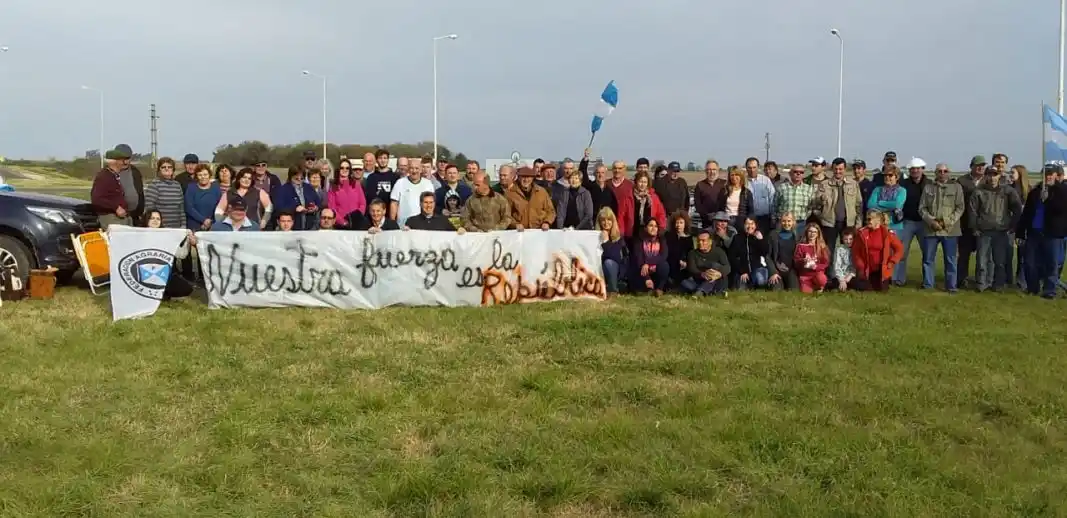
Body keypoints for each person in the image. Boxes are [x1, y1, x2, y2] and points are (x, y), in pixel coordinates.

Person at [968, 166, 1023, 292]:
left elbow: (1017, 209)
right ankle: (982, 284)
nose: (992, 177)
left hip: (1001, 231)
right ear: (986, 176)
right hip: (983, 231)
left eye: (995, 174)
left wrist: (1013, 226)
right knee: (982, 260)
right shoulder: (978, 192)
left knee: (999, 261)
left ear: (999, 176)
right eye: (990, 174)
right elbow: (972, 211)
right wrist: (974, 227)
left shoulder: (1008, 191)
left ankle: (998, 284)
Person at [1017, 163, 1067, 299]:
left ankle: (1049, 290)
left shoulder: (1062, 191)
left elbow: (1061, 209)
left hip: (1053, 234)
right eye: (1045, 174)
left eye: (1050, 174)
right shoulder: (1035, 192)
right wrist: (1020, 232)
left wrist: (1048, 199)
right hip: (1034, 232)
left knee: (1052, 263)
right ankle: (1032, 288)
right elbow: (1027, 213)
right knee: (1030, 262)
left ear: (1056, 175)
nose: (1048, 176)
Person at [918, 164, 965, 292]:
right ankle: (928, 284)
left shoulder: (956, 187)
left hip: (950, 230)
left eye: (945, 171)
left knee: (950, 260)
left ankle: (951, 286)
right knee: (928, 259)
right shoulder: (928, 187)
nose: (942, 173)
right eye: (940, 171)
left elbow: (960, 208)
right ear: (935, 173)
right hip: (930, 229)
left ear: (949, 173)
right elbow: (922, 208)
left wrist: (946, 222)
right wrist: (931, 221)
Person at [813, 157, 863, 258]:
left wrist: (858, 223)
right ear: (832, 169)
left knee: (849, 251)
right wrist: (822, 217)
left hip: (848, 223)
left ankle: (849, 273)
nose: (838, 171)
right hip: (829, 224)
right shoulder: (824, 184)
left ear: (845, 169)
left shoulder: (853, 184)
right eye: (835, 169)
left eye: (840, 169)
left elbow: (859, 205)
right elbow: (816, 205)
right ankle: (829, 273)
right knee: (828, 251)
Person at [141, 209, 195, 300]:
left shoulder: (167, 236)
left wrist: (188, 241)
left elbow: (181, 255)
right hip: (144, 273)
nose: (155, 221)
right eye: (152, 218)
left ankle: (163, 296)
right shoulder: (138, 235)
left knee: (187, 288)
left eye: (158, 219)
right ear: (146, 220)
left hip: (164, 274)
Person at [892, 162, 929, 285]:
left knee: (927, 253)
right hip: (907, 222)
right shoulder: (904, 184)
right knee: (902, 252)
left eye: (918, 168)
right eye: (912, 169)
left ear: (922, 169)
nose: (915, 171)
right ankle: (898, 279)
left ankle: (928, 281)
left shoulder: (929, 184)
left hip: (924, 223)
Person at [956, 155, 989, 289]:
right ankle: (961, 279)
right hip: (965, 223)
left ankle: (980, 280)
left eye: (983, 165)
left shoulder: (988, 180)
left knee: (983, 255)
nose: (980, 168)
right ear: (972, 166)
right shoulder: (962, 180)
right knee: (964, 254)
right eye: (978, 165)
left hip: (983, 223)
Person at [852, 211, 906, 292]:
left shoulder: (887, 233)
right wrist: (861, 265)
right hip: (867, 269)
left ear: (877, 221)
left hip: (882, 270)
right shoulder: (862, 233)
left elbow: (899, 248)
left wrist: (892, 262)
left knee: (881, 290)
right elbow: (855, 251)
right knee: (864, 289)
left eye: (870, 219)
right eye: (867, 219)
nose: (867, 221)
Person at [729, 216, 778, 290]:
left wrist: (761, 240)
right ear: (743, 225)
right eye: (747, 224)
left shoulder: (759, 236)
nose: (750, 226)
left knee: (761, 280)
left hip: (757, 268)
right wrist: (742, 271)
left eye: (752, 224)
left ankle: (757, 284)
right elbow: (732, 257)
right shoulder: (737, 238)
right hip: (742, 270)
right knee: (740, 289)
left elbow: (765, 253)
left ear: (755, 225)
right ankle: (748, 284)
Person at [682, 229, 730, 297]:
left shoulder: (719, 251)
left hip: (717, 278)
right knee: (685, 283)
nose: (700, 243)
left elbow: (727, 267)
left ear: (710, 242)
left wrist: (719, 274)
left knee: (714, 266)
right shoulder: (692, 253)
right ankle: (714, 292)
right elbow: (692, 269)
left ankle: (701, 291)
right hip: (699, 279)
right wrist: (703, 274)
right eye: (699, 240)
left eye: (703, 240)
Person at [506, 166, 555, 231]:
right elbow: (506, 214)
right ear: (519, 178)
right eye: (523, 177)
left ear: (532, 178)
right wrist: (515, 224)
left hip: (539, 231)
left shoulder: (541, 192)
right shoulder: (510, 193)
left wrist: (547, 222)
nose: (526, 180)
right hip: (519, 232)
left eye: (528, 177)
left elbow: (551, 211)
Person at [273, 166, 321, 230]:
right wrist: (294, 209)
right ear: (291, 177)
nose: (299, 180)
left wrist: (315, 208)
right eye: (296, 178)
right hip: (292, 227)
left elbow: (318, 202)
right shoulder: (283, 190)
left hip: (309, 225)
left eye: (302, 178)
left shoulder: (308, 187)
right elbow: (278, 208)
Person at [630, 219, 669, 296]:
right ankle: (648, 288)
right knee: (635, 265)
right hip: (642, 271)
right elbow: (639, 258)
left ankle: (659, 289)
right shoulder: (639, 240)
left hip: (655, 269)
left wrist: (647, 263)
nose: (653, 228)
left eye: (655, 226)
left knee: (664, 265)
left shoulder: (662, 240)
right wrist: (647, 278)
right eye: (651, 225)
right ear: (645, 228)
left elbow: (663, 256)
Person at [143, 157, 185, 229]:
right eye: (163, 167)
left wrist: (183, 225)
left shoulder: (177, 185)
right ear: (159, 169)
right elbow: (149, 209)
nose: (167, 169)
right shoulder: (154, 185)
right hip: (161, 229)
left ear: (173, 169)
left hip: (177, 227)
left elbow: (181, 208)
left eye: (169, 167)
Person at [390, 157, 436, 223]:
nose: (414, 171)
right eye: (411, 168)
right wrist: (392, 223)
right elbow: (394, 204)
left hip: (423, 224)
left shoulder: (428, 184)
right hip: (403, 225)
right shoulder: (400, 183)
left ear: (421, 170)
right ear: (408, 169)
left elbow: (432, 204)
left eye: (417, 168)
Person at [328, 158, 367, 227]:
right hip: (341, 225)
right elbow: (332, 208)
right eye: (342, 168)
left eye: (347, 168)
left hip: (357, 222)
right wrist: (343, 222)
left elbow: (362, 204)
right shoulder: (333, 188)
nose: (344, 170)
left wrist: (358, 217)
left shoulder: (356, 185)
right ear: (338, 170)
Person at [597, 207, 626, 295]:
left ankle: (613, 290)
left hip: (614, 269)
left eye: (609, 220)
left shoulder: (618, 238)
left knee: (609, 262)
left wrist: (606, 241)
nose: (606, 223)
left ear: (613, 221)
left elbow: (615, 257)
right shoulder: (595, 235)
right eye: (603, 220)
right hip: (598, 269)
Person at [630, 171, 667, 239]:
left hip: (649, 231)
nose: (642, 184)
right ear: (636, 182)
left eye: (645, 182)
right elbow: (622, 215)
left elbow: (661, 213)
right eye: (640, 182)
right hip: (633, 231)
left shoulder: (653, 197)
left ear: (648, 184)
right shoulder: (630, 197)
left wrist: (661, 228)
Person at [768, 212, 800, 291]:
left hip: (791, 270)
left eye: (789, 221)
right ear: (780, 222)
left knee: (794, 291)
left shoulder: (797, 236)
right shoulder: (773, 235)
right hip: (777, 270)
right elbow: (768, 256)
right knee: (777, 290)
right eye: (784, 221)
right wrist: (773, 272)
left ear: (793, 222)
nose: (786, 223)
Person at [794, 223, 829, 293]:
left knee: (821, 279)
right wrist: (803, 260)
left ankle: (819, 286)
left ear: (818, 234)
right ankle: (812, 287)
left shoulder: (822, 247)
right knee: (806, 293)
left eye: (814, 232)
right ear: (806, 232)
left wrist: (816, 267)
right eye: (810, 231)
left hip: (817, 274)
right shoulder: (801, 246)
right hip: (805, 275)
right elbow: (796, 261)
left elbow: (825, 263)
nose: (812, 234)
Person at [745, 157, 777, 232]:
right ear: (746, 168)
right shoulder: (743, 182)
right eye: (749, 168)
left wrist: (773, 218)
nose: (752, 170)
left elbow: (773, 199)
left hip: (765, 218)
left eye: (754, 167)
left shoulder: (765, 180)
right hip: (749, 219)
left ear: (758, 167)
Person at [663, 211, 695, 287]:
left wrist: (685, 262)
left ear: (685, 224)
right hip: (669, 263)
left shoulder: (689, 238)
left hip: (683, 266)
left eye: (681, 223)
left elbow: (690, 253)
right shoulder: (668, 236)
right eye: (677, 223)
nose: (678, 225)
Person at [607, 160, 636, 239]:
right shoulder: (607, 184)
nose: (617, 171)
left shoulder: (631, 185)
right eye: (615, 168)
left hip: (625, 225)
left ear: (624, 169)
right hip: (609, 223)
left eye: (620, 168)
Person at [719, 166, 754, 230]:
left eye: (737, 175)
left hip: (741, 221)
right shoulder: (724, 191)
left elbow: (751, 211)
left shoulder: (747, 192)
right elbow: (719, 208)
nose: (734, 177)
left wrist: (748, 221)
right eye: (732, 175)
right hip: (726, 221)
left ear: (741, 176)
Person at [694, 159, 727, 225]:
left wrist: (719, 215)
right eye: (709, 169)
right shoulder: (700, 185)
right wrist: (706, 215)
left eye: (714, 169)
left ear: (718, 170)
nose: (711, 172)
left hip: (722, 220)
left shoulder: (724, 184)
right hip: (706, 220)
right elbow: (698, 204)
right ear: (706, 171)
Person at [827, 227, 860, 292]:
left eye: (850, 239)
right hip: (840, 276)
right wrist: (841, 279)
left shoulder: (856, 249)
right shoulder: (839, 249)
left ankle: (847, 287)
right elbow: (837, 265)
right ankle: (842, 287)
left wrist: (850, 276)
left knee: (859, 284)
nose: (848, 241)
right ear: (842, 239)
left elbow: (855, 266)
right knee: (833, 283)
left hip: (851, 276)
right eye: (846, 239)